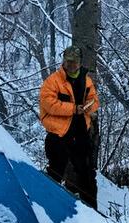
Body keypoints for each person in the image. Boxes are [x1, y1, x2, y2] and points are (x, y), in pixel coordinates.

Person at [39, 45, 100, 209]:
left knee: (87, 175)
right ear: (64, 61)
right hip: (58, 135)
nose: (71, 64)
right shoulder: (52, 81)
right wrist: (73, 109)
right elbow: (49, 104)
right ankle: (46, 208)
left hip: (81, 134)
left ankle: (92, 212)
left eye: (75, 61)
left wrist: (89, 106)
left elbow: (95, 100)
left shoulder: (86, 80)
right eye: (68, 61)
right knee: (55, 173)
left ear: (80, 62)